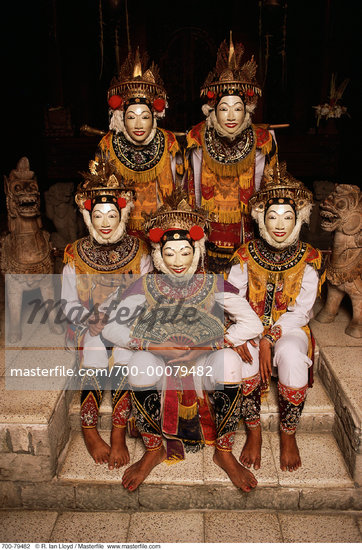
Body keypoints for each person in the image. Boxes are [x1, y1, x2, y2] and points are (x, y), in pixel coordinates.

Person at [102, 191, 264, 492]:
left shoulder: (213, 284)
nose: (177, 261)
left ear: (197, 251)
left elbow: (253, 323)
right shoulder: (145, 285)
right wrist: (154, 346)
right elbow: (112, 328)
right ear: (158, 255)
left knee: (230, 362)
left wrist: (208, 346)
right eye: (170, 253)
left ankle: (224, 452)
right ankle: (154, 449)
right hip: (160, 360)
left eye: (185, 252)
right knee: (137, 364)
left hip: (202, 361)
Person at [227, 161, 325, 472]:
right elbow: (229, 295)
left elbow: (302, 311)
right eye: (272, 216)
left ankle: (288, 435)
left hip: (288, 329)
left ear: (298, 219)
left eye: (287, 217)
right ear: (261, 219)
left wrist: (272, 335)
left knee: (294, 357)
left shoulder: (309, 257)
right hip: (251, 327)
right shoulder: (245, 254)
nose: (279, 224)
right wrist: (245, 332)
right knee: (242, 360)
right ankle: (253, 432)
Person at [61, 157, 152, 469]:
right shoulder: (75, 253)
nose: (104, 222)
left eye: (111, 214)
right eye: (97, 215)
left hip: (127, 323)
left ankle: (117, 432)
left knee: (126, 354)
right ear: (88, 215)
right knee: (96, 351)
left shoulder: (140, 251)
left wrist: (114, 321)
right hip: (89, 325)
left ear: (122, 215)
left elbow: (143, 296)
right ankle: (89, 428)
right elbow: (68, 302)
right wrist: (90, 321)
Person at [185, 33, 277, 272]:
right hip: (207, 223)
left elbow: (264, 184)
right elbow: (193, 185)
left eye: (238, 108)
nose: (231, 116)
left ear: (247, 110)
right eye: (224, 109)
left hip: (245, 224)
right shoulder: (197, 137)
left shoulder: (262, 140)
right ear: (212, 111)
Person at [97, 47, 182, 239]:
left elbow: (179, 188)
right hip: (120, 229)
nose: (138, 125)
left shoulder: (168, 142)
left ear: (154, 117)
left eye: (144, 117)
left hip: (161, 228)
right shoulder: (109, 144)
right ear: (121, 118)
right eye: (131, 117)